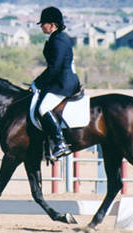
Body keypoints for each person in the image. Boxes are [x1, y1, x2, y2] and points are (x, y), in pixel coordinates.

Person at [31, 6, 81, 159]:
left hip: (63, 83)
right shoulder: (55, 37)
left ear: (52, 24)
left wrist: (37, 83)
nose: (41, 26)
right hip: (60, 80)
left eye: (43, 23)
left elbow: (54, 68)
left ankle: (60, 143)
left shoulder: (58, 40)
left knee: (43, 108)